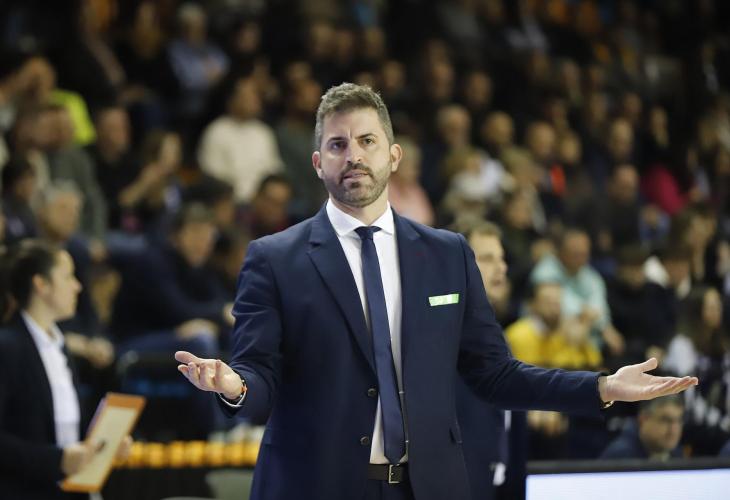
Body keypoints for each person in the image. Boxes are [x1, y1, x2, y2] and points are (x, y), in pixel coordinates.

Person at [175, 83, 697, 500]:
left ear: (394, 155)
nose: (353, 155)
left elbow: (494, 374)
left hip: (429, 486)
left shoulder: (448, 254)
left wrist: (601, 387)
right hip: (314, 485)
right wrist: (233, 384)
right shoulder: (273, 258)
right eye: (337, 145)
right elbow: (259, 377)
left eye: (367, 141)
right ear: (318, 163)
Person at [0, 240, 130, 499]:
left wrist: (103, 445)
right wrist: (56, 459)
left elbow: (66, 432)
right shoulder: (8, 347)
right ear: (41, 285)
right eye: (68, 276)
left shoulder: (59, 347)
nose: (77, 286)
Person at [600, 395, 685, 460]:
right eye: (665, 420)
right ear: (643, 419)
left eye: (679, 420)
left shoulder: (677, 453)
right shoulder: (621, 456)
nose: (674, 429)